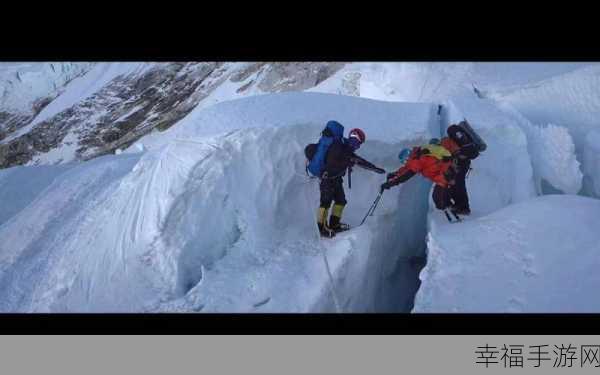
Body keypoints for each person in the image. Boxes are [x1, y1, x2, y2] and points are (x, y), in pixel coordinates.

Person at [306, 121, 385, 237]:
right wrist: (327, 172)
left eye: (358, 142)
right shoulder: (339, 147)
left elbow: (359, 161)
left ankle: (334, 224)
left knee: (341, 201)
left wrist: (374, 168)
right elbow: (331, 160)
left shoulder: (346, 149)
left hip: (336, 178)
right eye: (357, 141)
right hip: (326, 177)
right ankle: (321, 228)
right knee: (325, 202)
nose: (357, 145)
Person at [380, 138, 460, 215]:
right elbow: (406, 169)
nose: (405, 163)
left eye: (404, 161)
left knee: (438, 197)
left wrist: (392, 183)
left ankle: (450, 210)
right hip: (444, 172)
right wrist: (394, 174)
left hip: (445, 173)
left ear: (407, 157)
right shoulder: (417, 156)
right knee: (440, 195)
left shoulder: (417, 159)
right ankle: (450, 207)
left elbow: (407, 174)